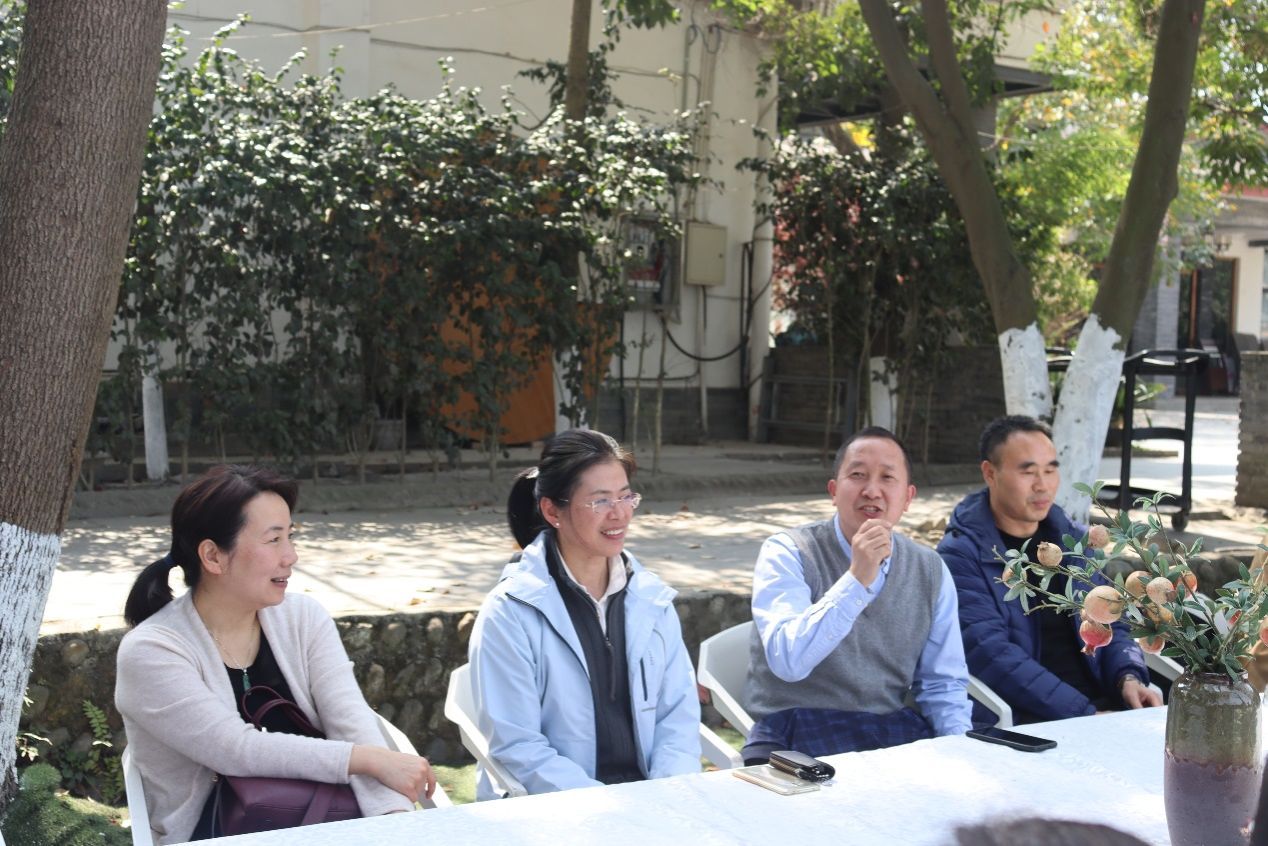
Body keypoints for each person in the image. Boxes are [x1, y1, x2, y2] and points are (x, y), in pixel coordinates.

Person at [115, 466, 434, 844]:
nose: (291, 556)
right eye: (273, 540)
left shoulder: (303, 618)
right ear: (213, 556)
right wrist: (366, 759)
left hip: (330, 826)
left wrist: (393, 822)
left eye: (291, 537)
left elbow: (352, 722)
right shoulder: (151, 651)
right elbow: (235, 749)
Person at [468, 429, 701, 800]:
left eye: (626, 496)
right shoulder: (510, 611)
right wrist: (609, 808)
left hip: (654, 803)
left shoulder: (652, 599)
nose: (619, 513)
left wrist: (665, 796)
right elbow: (519, 747)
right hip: (558, 808)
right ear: (552, 511)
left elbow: (677, 718)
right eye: (600, 501)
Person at [742, 426, 973, 764]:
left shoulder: (930, 569)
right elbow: (789, 661)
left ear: (908, 498)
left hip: (887, 731)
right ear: (834, 491)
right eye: (858, 475)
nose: (872, 491)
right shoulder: (788, 551)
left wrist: (960, 751)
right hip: (794, 733)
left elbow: (943, 684)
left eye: (887, 478)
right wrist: (857, 579)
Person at [938, 415, 1160, 725]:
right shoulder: (961, 555)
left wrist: (1128, 676)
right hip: (1032, 721)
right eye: (1028, 472)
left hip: (1102, 709)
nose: (1042, 485)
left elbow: (1112, 619)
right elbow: (991, 653)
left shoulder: (1073, 541)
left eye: (1050, 470)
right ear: (990, 473)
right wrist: (1084, 714)